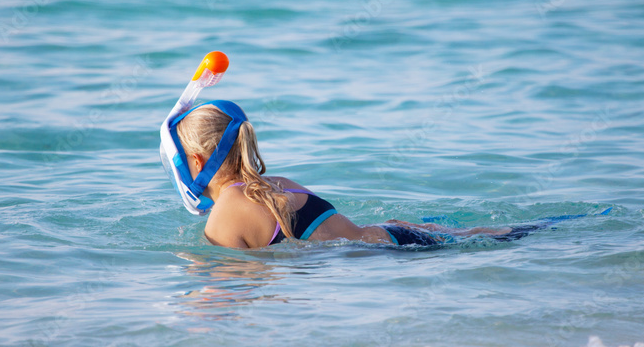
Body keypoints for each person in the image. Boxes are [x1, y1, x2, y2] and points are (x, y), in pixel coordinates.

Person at [171, 101, 520, 250]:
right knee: (515, 235)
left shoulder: (224, 217)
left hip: (387, 257)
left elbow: (235, 297)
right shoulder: (277, 184)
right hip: (398, 235)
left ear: (197, 161)